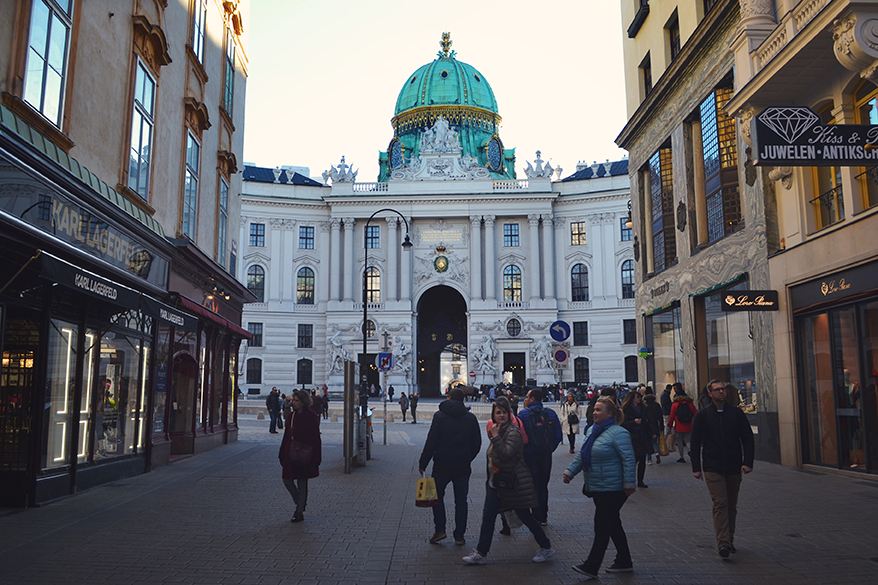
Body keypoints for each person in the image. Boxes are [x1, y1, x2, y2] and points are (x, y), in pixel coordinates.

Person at [463, 399, 555, 565]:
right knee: (488, 517)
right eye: (498, 412)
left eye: (504, 412)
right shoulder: (498, 430)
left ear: (509, 413)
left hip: (512, 483)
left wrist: (496, 437)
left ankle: (546, 546)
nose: (501, 415)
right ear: (493, 415)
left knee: (526, 517)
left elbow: (506, 454)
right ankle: (481, 553)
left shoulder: (513, 432)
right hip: (497, 483)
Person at [563, 397, 636, 578]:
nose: (594, 412)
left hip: (614, 488)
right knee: (612, 524)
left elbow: (628, 459)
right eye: (594, 409)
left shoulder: (619, 432)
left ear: (610, 413)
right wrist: (570, 472)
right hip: (598, 486)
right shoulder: (593, 432)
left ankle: (592, 565)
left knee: (602, 525)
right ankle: (624, 561)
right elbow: (582, 456)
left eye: (599, 410)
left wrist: (629, 484)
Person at [690, 379, 755, 559]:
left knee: (731, 505)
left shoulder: (736, 413)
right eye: (717, 390)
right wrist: (696, 468)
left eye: (723, 389)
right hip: (713, 466)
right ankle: (723, 542)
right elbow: (695, 442)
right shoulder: (703, 415)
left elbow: (747, 438)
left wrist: (747, 462)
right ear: (710, 393)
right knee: (720, 503)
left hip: (734, 466)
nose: (721, 392)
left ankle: (730, 539)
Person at [418, 388, 482, 546]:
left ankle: (440, 530)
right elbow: (477, 443)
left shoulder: (439, 416)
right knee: (461, 501)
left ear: (449, 397)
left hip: (441, 465)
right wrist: (467, 457)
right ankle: (459, 536)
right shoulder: (470, 418)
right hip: (462, 467)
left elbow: (431, 441)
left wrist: (423, 462)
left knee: (436, 497)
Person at [517, 388, 562, 526]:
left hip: (530, 456)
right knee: (543, 485)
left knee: (534, 485)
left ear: (531, 399)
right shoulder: (551, 413)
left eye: (527, 396)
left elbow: (519, 436)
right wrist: (549, 449)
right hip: (545, 456)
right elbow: (558, 436)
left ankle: (535, 516)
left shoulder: (523, 414)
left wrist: (526, 451)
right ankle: (543, 516)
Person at [278, 389, 322, 523]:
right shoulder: (291, 416)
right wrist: (281, 454)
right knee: (287, 480)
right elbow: (286, 436)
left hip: (305, 454)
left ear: (303, 402)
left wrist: (316, 458)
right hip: (290, 452)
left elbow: (316, 438)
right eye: (293, 400)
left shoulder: (312, 416)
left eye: (297, 401)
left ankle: (299, 511)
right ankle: (300, 502)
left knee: (302, 482)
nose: (293, 403)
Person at [621, 391, 654, 487]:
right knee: (633, 460)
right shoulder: (625, 410)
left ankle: (640, 480)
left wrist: (652, 432)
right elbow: (622, 424)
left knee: (642, 460)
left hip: (643, 437)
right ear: (632, 398)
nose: (639, 399)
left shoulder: (644, 408)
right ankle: (628, 480)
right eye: (637, 397)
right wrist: (634, 422)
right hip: (632, 437)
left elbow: (648, 421)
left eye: (640, 397)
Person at [668, 387, 698, 463]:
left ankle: (681, 457)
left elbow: (671, 416)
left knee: (679, 441)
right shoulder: (690, 404)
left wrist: (670, 425)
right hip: (688, 425)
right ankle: (690, 451)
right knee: (688, 440)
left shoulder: (675, 404)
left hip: (679, 426)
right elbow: (696, 414)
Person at [643, 393, 664, 464]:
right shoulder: (656, 405)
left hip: (646, 426)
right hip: (655, 425)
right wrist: (662, 427)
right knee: (654, 442)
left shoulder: (644, 406)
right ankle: (657, 453)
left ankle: (649, 459)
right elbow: (660, 417)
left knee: (648, 443)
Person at [660, 384, 675, 452]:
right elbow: (666, 404)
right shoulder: (666, 394)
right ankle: (667, 438)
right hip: (667, 412)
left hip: (665, 411)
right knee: (668, 424)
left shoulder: (663, 394)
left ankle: (667, 437)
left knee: (668, 424)